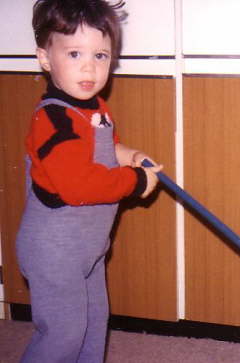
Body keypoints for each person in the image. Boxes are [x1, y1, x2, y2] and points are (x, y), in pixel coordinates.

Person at [15, 1, 162, 362]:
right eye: (75, 53)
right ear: (45, 58)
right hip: (54, 253)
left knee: (94, 326)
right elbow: (80, 186)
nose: (89, 67)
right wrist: (133, 181)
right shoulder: (54, 120)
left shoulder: (95, 108)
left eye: (100, 55)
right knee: (63, 335)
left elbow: (106, 149)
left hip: (88, 249)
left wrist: (129, 156)